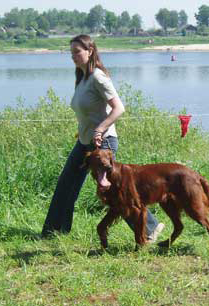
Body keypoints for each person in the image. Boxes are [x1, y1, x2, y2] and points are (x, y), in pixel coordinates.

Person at [41, 34, 164, 242]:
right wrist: (84, 130)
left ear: (90, 51)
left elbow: (118, 108)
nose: (73, 56)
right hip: (84, 142)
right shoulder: (82, 77)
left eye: (77, 52)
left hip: (103, 142)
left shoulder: (98, 77)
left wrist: (99, 129)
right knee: (66, 184)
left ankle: (150, 228)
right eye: (71, 52)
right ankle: (55, 232)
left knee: (117, 191)